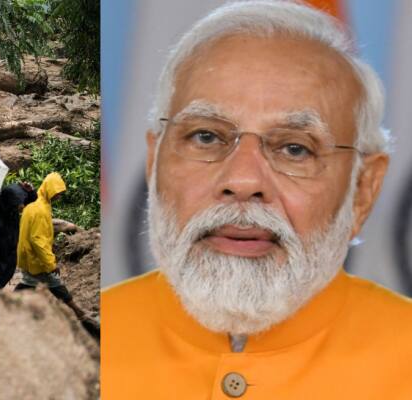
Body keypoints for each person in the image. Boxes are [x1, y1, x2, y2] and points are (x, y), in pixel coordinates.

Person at [102, 1, 412, 398]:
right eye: (207, 137)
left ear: (363, 190)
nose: (243, 180)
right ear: (154, 161)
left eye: (295, 149)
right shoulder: (81, 337)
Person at [14, 173, 88, 320]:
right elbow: (38, 240)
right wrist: (50, 263)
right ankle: (78, 312)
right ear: (49, 190)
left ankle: (10, 304)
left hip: (27, 255)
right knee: (54, 282)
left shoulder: (35, 204)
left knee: (29, 283)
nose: (58, 197)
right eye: (57, 193)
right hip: (35, 257)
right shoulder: (40, 210)